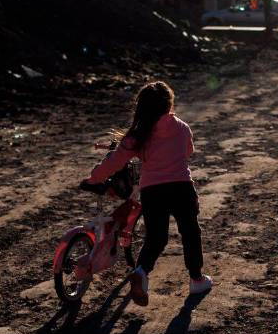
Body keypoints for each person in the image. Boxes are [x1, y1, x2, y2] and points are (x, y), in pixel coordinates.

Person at [82, 81, 212, 306]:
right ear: (169, 103)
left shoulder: (138, 135)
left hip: (153, 191)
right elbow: (188, 151)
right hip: (181, 187)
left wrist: (93, 179)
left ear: (141, 107)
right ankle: (196, 279)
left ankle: (141, 272)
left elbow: (114, 162)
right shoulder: (181, 127)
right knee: (190, 231)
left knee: (156, 237)